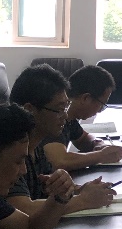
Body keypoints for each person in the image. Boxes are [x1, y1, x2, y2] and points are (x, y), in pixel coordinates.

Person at [7, 64, 116, 216]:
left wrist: (77, 189)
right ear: (29, 110)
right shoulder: (7, 151)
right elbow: (24, 210)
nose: (65, 116)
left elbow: (45, 189)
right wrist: (83, 200)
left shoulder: (36, 146)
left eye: (66, 107)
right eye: (59, 109)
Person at [40, 64, 122, 171]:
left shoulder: (70, 118)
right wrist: (100, 156)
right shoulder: (55, 116)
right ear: (86, 98)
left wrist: (98, 143)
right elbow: (59, 161)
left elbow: (83, 139)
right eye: (101, 105)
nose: (99, 111)